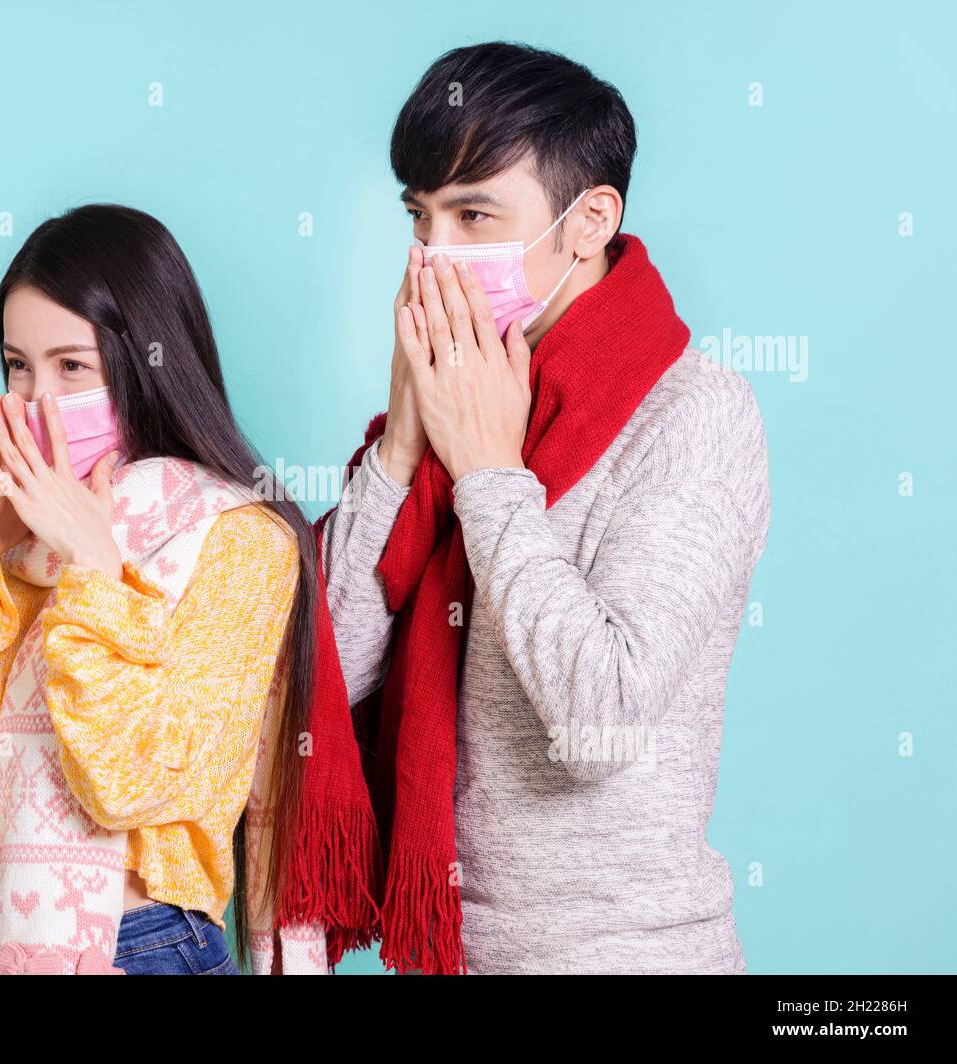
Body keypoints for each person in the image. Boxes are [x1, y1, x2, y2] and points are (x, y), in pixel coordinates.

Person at [314, 42, 771, 974]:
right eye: (420, 217)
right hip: (445, 952)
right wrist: (403, 445)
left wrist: (486, 470)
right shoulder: (449, 398)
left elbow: (597, 722)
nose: (436, 256)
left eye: (474, 214)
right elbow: (320, 666)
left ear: (588, 220)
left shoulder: (694, 414)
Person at [0, 204, 327, 974]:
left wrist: (92, 561)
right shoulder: (8, 535)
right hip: (5, 949)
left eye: (71, 366)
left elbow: (130, 780)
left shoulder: (239, 538)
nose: (38, 398)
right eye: (18, 365)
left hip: (145, 945)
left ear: (147, 358)